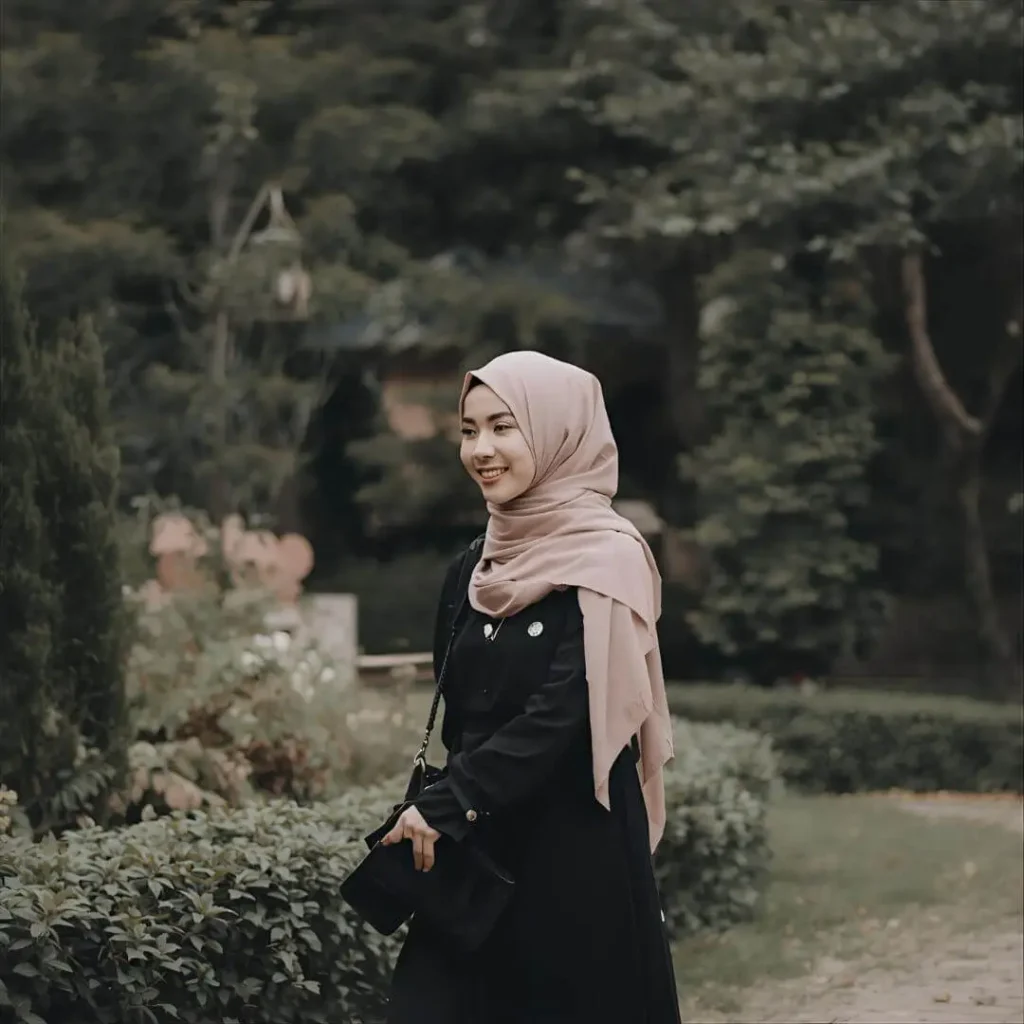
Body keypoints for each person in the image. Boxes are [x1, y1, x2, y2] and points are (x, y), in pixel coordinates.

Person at [382, 351, 681, 1024]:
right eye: (468, 429)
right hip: (478, 852)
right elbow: (459, 716)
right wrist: (450, 806)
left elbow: (563, 716)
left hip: (573, 858)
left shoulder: (609, 560)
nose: (481, 449)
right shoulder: (472, 566)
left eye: (503, 427)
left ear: (557, 432)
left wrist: (452, 801)